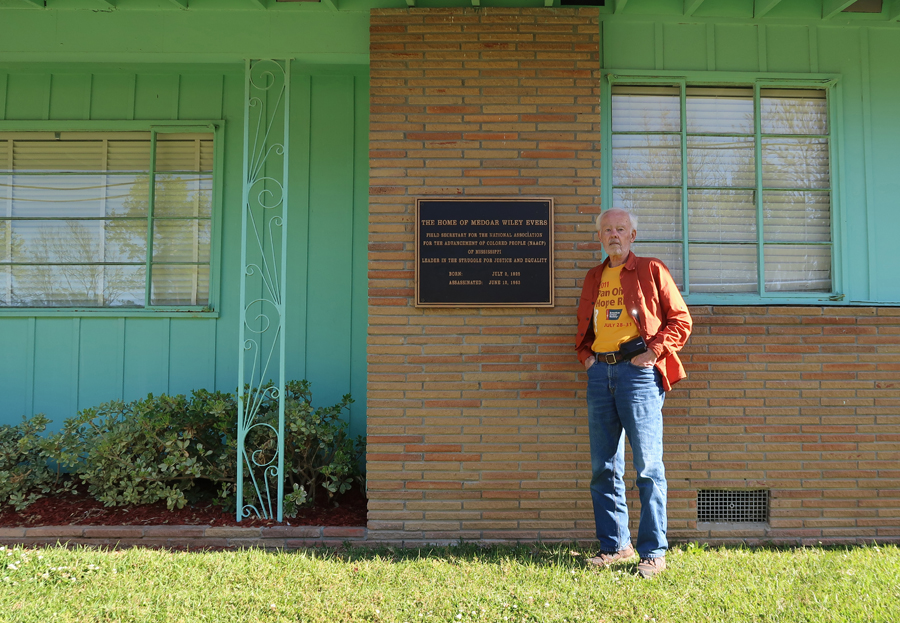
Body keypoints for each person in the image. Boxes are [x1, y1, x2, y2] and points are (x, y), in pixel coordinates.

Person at [575, 208, 692, 578]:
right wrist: (587, 358)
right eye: (608, 230)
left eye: (620, 229)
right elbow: (584, 326)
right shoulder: (594, 277)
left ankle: (653, 552)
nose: (614, 235)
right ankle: (615, 546)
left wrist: (653, 353)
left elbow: (681, 320)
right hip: (600, 374)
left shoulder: (651, 270)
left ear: (632, 235)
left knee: (648, 468)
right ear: (600, 237)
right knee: (604, 467)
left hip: (638, 376)